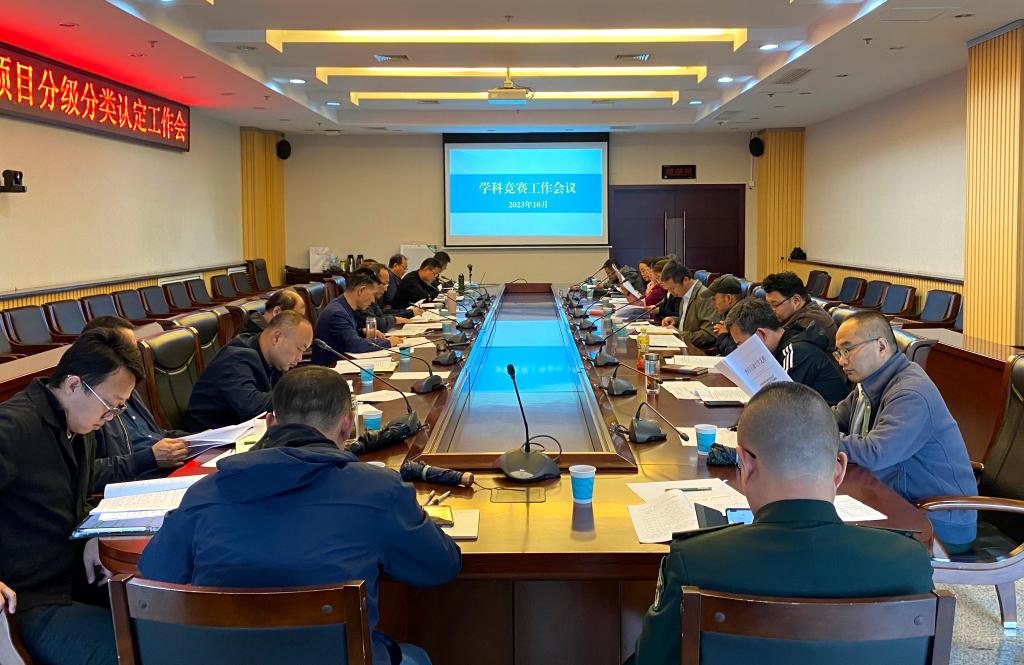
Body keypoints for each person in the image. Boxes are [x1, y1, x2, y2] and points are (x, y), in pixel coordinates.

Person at [139, 366, 462, 665]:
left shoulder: (203, 493)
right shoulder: (379, 490)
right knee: (416, 656)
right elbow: (440, 567)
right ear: (347, 424)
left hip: (222, 658)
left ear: (270, 423)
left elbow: (154, 573)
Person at [627, 382, 934, 665]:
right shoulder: (909, 562)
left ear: (745, 466)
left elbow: (651, 660)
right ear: (839, 469)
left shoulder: (694, 561)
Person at [0, 328, 149, 665]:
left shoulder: (79, 424)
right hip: (26, 599)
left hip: (73, 575)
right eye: (109, 406)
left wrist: (92, 535)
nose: (110, 418)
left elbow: (70, 499)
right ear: (72, 384)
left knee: (166, 619)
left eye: (118, 409)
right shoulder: (13, 427)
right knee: (141, 652)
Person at [832, 311, 978, 551]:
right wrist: (803, 422)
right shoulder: (870, 382)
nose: (842, 361)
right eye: (839, 352)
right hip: (899, 501)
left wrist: (819, 440)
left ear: (881, 346)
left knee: (837, 541)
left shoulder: (910, 393)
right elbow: (834, 417)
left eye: (848, 350)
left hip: (937, 519)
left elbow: (875, 453)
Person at [83, 316, 189, 491]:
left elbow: (155, 435)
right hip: (138, 483)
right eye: (129, 351)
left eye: (135, 350)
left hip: (168, 468)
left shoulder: (128, 386)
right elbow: (86, 475)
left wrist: (199, 439)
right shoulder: (88, 401)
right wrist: (149, 458)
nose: (135, 358)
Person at [184, 310, 312, 431]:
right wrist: (296, 392)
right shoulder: (236, 357)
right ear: (276, 337)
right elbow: (252, 407)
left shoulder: (272, 358)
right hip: (208, 439)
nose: (300, 358)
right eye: (299, 349)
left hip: (241, 432)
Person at [726, 298, 851, 405]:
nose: (740, 350)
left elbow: (783, 405)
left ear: (761, 334)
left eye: (741, 344)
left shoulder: (796, 353)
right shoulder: (787, 344)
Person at [312, 268, 402, 365]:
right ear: (361, 290)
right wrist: (388, 342)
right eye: (373, 294)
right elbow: (355, 345)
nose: (373, 300)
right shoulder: (337, 313)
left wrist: (362, 332)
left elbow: (344, 336)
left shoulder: (344, 305)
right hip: (331, 368)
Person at [761, 271, 838, 351]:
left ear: (796, 301)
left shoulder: (810, 324)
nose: (770, 310)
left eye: (775, 305)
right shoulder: (796, 313)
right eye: (768, 305)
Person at [658, 262, 717, 351]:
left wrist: (678, 334)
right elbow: (692, 322)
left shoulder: (704, 297)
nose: (672, 293)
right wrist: (675, 320)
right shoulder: (685, 294)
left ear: (685, 280)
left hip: (698, 351)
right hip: (683, 346)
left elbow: (709, 335)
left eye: (672, 288)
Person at [356, 263, 423, 334]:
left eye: (387, 285)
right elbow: (377, 324)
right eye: (384, 284)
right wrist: (395, 320)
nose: (385, 290)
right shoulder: (362, 300)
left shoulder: (371, 298)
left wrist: (408, 313)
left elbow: (381, 315)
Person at [236, 288, 306, 341]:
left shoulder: (270, 330)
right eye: (295, 317)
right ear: (277, 311)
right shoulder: (252, 337)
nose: (298, 324)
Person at [706, 275, 743, 356]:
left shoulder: (742, 319)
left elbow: (737, 356)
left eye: (714, 299)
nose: (712, 304)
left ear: (728, 298)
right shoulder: (729, 313)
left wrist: (723, 336)